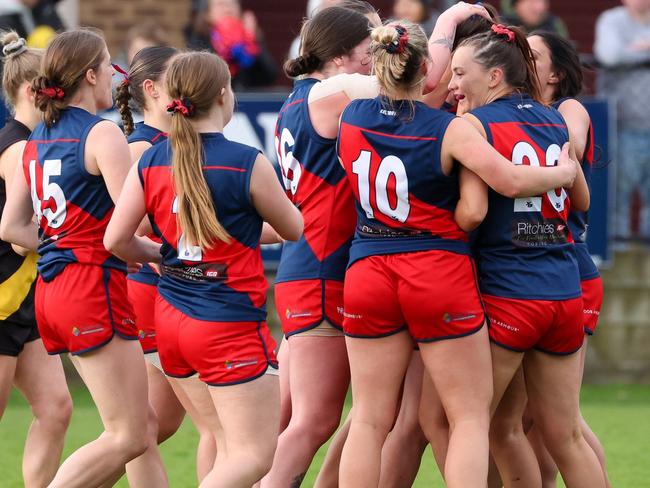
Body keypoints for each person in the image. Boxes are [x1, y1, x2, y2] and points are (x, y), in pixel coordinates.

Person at [336, 19, 579, 488]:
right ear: (430, 69)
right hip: (434, 269)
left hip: (368, 267)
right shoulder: (449, 129)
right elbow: (507, 181)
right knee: (467, 417)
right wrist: (562, 174)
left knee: (367, 418)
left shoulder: (351, 116)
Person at [104, 50, 303, 488]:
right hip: (226, 321)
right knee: (254, 457)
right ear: (223, 95)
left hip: (171, 320)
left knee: (225, 443)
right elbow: (293, 228)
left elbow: (116, 240)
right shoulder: (246, 161)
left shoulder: (153, 159)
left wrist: (164, 256)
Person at [0, 28, 168, 488]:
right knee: (129, 434)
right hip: (90, 287)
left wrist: (65, 242)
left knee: (140, 428)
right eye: (110, 64)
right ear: (90, 75)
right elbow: (129, 229)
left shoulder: (36, 139)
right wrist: (168, 255)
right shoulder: (101, 133)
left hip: (54, 291)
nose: (116, 76)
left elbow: (12, 228)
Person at [448, 24, 605, 488]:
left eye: (461, 72)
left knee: (473, 424)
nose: (453, 83)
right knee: (567, 435)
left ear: (494, 76)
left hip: (510, 292)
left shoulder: (475, 125)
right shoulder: (552, 119)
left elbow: (473, 214)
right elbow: (583, 200)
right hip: (562, 290)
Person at [116, 45, 220, 483]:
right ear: (151, 88)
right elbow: (129, 231)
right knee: (220, 426)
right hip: (158, 294)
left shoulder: (174, 142)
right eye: (178, 75)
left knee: (152, 426)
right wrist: (171, 259)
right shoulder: (142, 147)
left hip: (171, 296)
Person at [528, 30, 611, 488]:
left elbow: (571, 148)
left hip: (571, 268)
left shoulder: (568, 109)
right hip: (538, 272)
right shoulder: (513, 113)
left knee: (560, 420)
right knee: (538, 420)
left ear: (556, 72)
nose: (523, 58)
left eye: (534, 55)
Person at [0, 30, 72, 488]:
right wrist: (69, 242)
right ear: (32, 91)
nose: (63, 99)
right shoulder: (19, 147)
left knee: (56, 409)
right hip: (3, 295)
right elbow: (15, 234)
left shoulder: (33, 141)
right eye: (56, 88)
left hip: (22, 295)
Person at [594, 0, 650, 242]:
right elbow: (609, 54)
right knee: (618, 195)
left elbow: (620, 54)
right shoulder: (612, 20)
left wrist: (637, 48)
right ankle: (619, 255)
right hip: (622, 124)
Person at [186, 0, 278, 90]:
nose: (227, 8)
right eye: (220, 4)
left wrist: (251, 41)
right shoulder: (201, 38)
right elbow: (198, 78)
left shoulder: (250, 35)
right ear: (207, 14)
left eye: (232, 3)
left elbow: (270, 75)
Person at [501, 0, 568, 37]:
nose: (540, 8)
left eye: (544, 2)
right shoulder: (501, 26)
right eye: (532, 2)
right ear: (516, 5)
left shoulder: (554, 25)